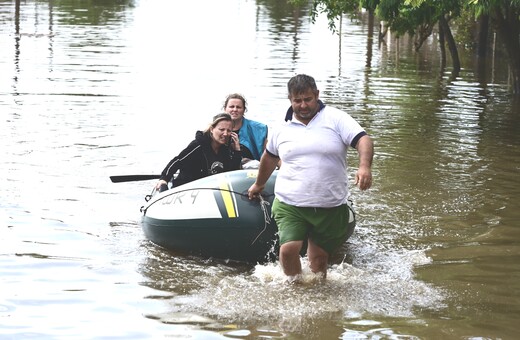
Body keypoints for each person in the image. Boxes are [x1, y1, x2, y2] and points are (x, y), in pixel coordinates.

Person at [247, 74, 374, 281]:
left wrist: (364, 167)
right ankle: (294, 290)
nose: (303, 105)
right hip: (290, 202)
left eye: (307, 99)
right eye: (297, 101)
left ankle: (318, 290)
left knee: (319, 260)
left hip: (329, 205)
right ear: (290, 100)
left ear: (317, 95)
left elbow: (363, 139)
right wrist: (259, 184)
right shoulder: (282, 127)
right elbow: (269, 158)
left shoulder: (336, 118)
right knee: (288, 250)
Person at [155, 113, 242, 191]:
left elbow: (231, 173)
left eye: (229, 130)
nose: (225, 134)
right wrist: (164, 179)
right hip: (186, 189)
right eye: (221, 129)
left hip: (210, 191)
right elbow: (178, 161)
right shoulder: (198, 145)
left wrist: (237, 151)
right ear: (212, 129)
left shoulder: (226, 149)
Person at [223, 93, 268, 164]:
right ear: (225, 109)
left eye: (238, 107)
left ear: (244, 110)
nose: (235, 109)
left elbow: (271, 154)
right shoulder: (216, 128)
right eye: (231, 107)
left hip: (252, 170)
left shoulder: (258, 129)